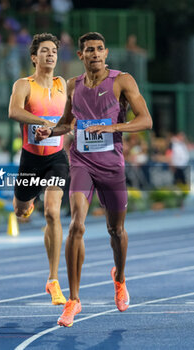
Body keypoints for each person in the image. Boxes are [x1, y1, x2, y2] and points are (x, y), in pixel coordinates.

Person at [35, 32, 153, 327]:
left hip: (112, 165)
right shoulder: (73, 86)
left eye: (100, 49)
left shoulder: (122, 81)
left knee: (117, 231)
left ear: (106, 52)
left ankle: (120, 277)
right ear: (81, 56)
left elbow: (146, 120)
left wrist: (114, 128)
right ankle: (74, 301)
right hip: (82, 162)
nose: (96, 54)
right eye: (90, 50)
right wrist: (51, 132)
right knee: (76, 224)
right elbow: (65, 124)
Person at [8, 33, 70, 305]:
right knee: (21, 211)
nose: (50, 55)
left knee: (53, 212)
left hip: (56, 158)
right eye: (44, 51)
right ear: (34, 57)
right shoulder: (24, 84)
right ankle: (25, 203)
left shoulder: (63, 85)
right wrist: (41, 121)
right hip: (31, 160)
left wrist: (59, 129)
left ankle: (53, 279)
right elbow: (14, 112)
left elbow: (69, 120)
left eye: (54, 51)